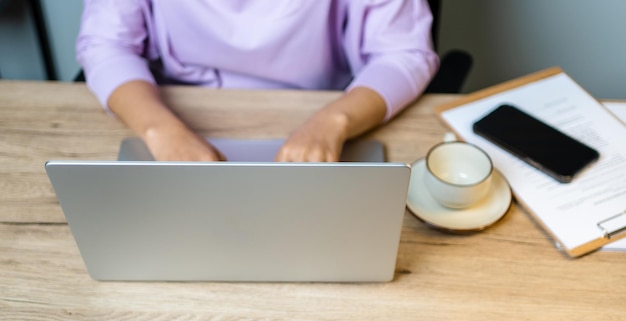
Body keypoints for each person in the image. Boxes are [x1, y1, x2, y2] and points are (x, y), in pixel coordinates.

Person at [76, 0, 439, 162]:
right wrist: (159, 130)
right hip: (177, 111)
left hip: (323, 104)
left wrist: (334, 120)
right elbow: (106, 44)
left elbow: (404, 52)